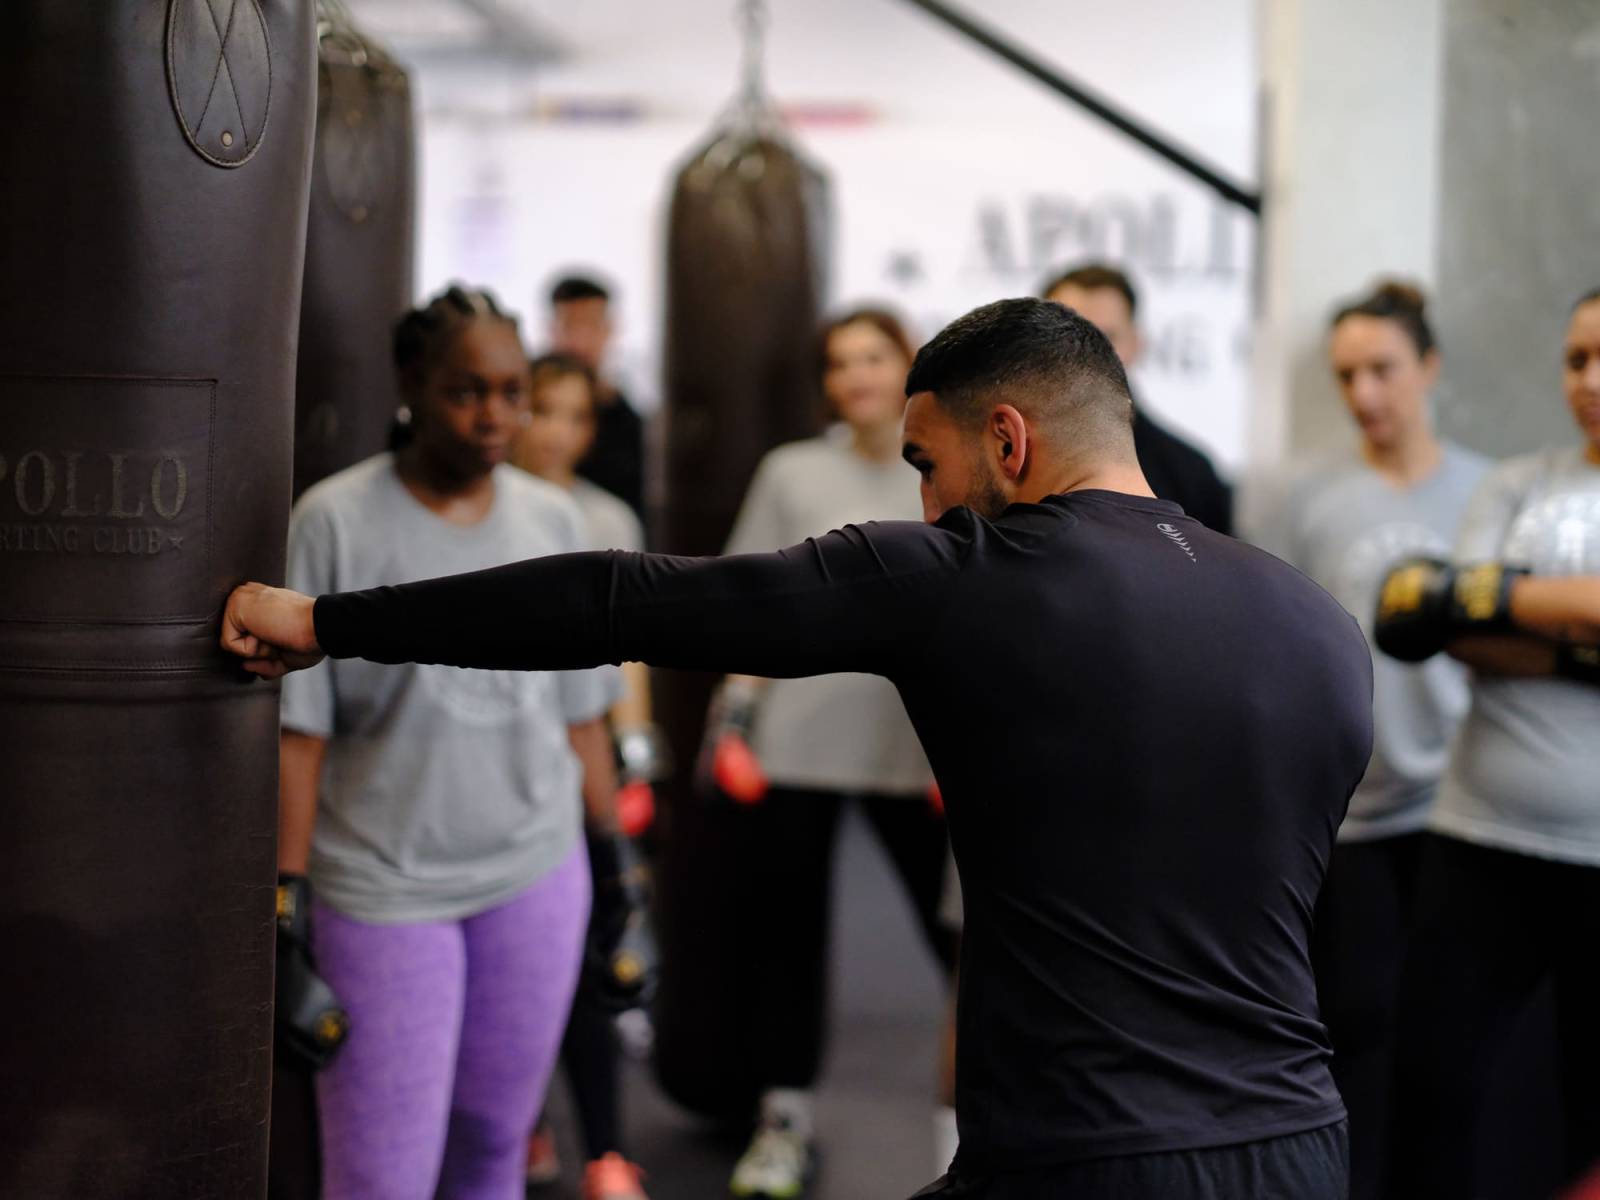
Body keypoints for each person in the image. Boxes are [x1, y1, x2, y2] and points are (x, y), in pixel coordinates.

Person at [223, 297, 1374, 1200]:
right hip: (1303, 1144)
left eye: (929, 464)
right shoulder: (1316, 626)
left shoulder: (965, 579)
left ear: (1008, 440)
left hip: (1085, 1158)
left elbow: (622, 601)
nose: (927, 504)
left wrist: (331, 621)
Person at [274, 285, 643, 1200]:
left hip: (533, 873)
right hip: (387, 889)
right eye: (467, 391)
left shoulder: (553, 521)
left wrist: (620, 874)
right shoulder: (334, 520)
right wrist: (284, 912)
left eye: (513, 391)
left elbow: (581, 716)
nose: (495, 415)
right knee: (382, 1175)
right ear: (412, 384)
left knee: (491, 1144)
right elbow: (300, 738)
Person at [698, 307, 954, 1199]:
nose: (857, 376)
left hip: (912, 755)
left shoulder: (946, 466)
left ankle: (982, 1134)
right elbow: (747, 602)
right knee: (785, 948)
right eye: (839, 361)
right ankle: (783, 1124)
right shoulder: (793, 471)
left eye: (874, 356)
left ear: (909, 364)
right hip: (795, 746)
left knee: (968, 942)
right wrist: (732, 725)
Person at [1243, 281, 1487, 1199]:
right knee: (1355, 1024)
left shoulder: (1485, 490)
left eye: (1382, 369)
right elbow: (1269, 656)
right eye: (1347, 375)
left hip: (1463, 805)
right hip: (1346, 815)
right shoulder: (1308, 502)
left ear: (1427, 368)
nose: (1365, 393)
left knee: (1452, 1034)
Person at [1377, 289, 1600, 1197]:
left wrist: (1507, 600)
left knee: (1588, 1103)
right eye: (1577, 358)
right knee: (1431, 1089)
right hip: (1481, 837)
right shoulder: (1518, 481)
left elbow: (1469, 603)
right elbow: (1438, 619)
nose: (1589, 379)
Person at [511, 351, 657, 1200]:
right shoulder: (485, 510)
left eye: (573, 415)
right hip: (496, 766)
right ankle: (520, 1119)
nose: (555, 431)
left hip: (579, 759)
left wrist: (634, 748)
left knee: (592, 955)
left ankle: (606, 1146)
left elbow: (625, 647)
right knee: (514, 964)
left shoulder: (604, 516)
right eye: (543, 410)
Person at [1043, 262, 1234, 534]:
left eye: (1106, 337)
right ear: (1035, 344)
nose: (1085, 355)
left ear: (1136, 344)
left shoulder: (1191, 475)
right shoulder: (989, 461)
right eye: (1067, 335)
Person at [547, 274, 646, 521]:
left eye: (590, 325)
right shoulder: (521, 399)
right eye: (570, 326)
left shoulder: (625, 420)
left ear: (609, 330)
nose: (580, 342)